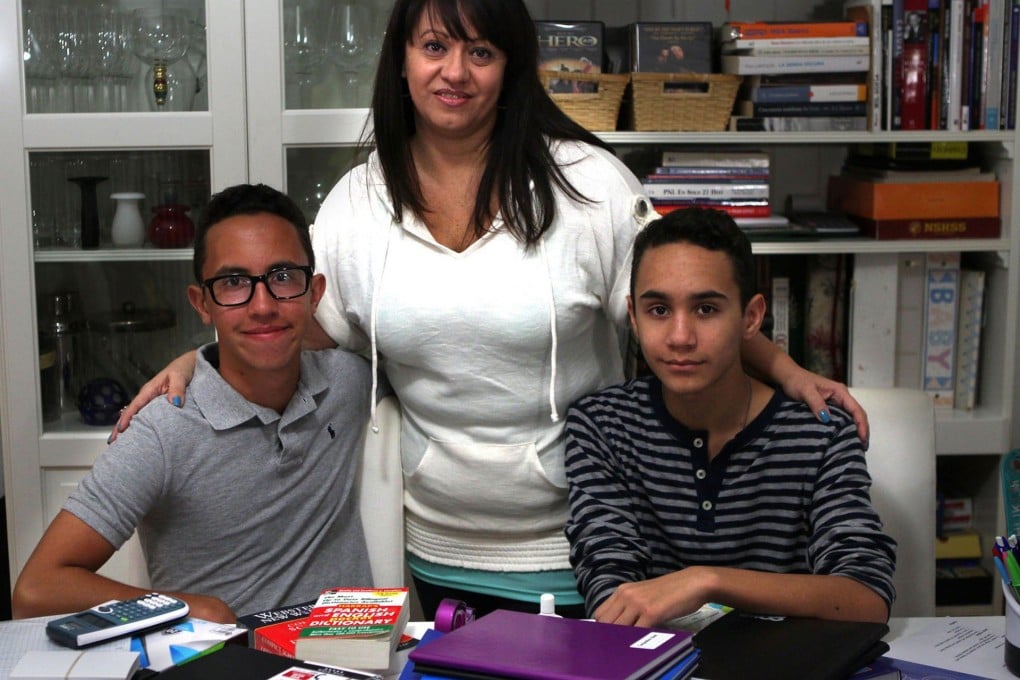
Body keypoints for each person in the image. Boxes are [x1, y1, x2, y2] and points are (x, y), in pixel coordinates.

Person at [115, 0, 869, 620]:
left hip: (593, 546)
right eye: (435, 45)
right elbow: (289, 323)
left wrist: (785, 368)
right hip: (430, 550)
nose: (455, 72)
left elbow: (679, 311)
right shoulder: (357, 205)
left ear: (511, 68)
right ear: (402, 59)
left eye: (481, 52)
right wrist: (202, 355)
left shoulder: (590, 186)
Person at [12, 184, 373, 623]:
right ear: (202, 303)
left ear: (313, 293)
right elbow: (35, 589)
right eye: (234, 282)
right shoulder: (164, 430)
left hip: (346, 655)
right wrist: (183, 607)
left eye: (282, 276)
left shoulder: (349, 382)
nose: (263, 305)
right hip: (221, 661)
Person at [564, 207, 895, 627]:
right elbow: (610, 596)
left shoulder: (820, 432)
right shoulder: (602, 427)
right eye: (658, 310)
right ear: (632, 316)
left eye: (706, 309)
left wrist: (708, 580)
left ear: (751, 317)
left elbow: (867, 597)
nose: (680, 337)